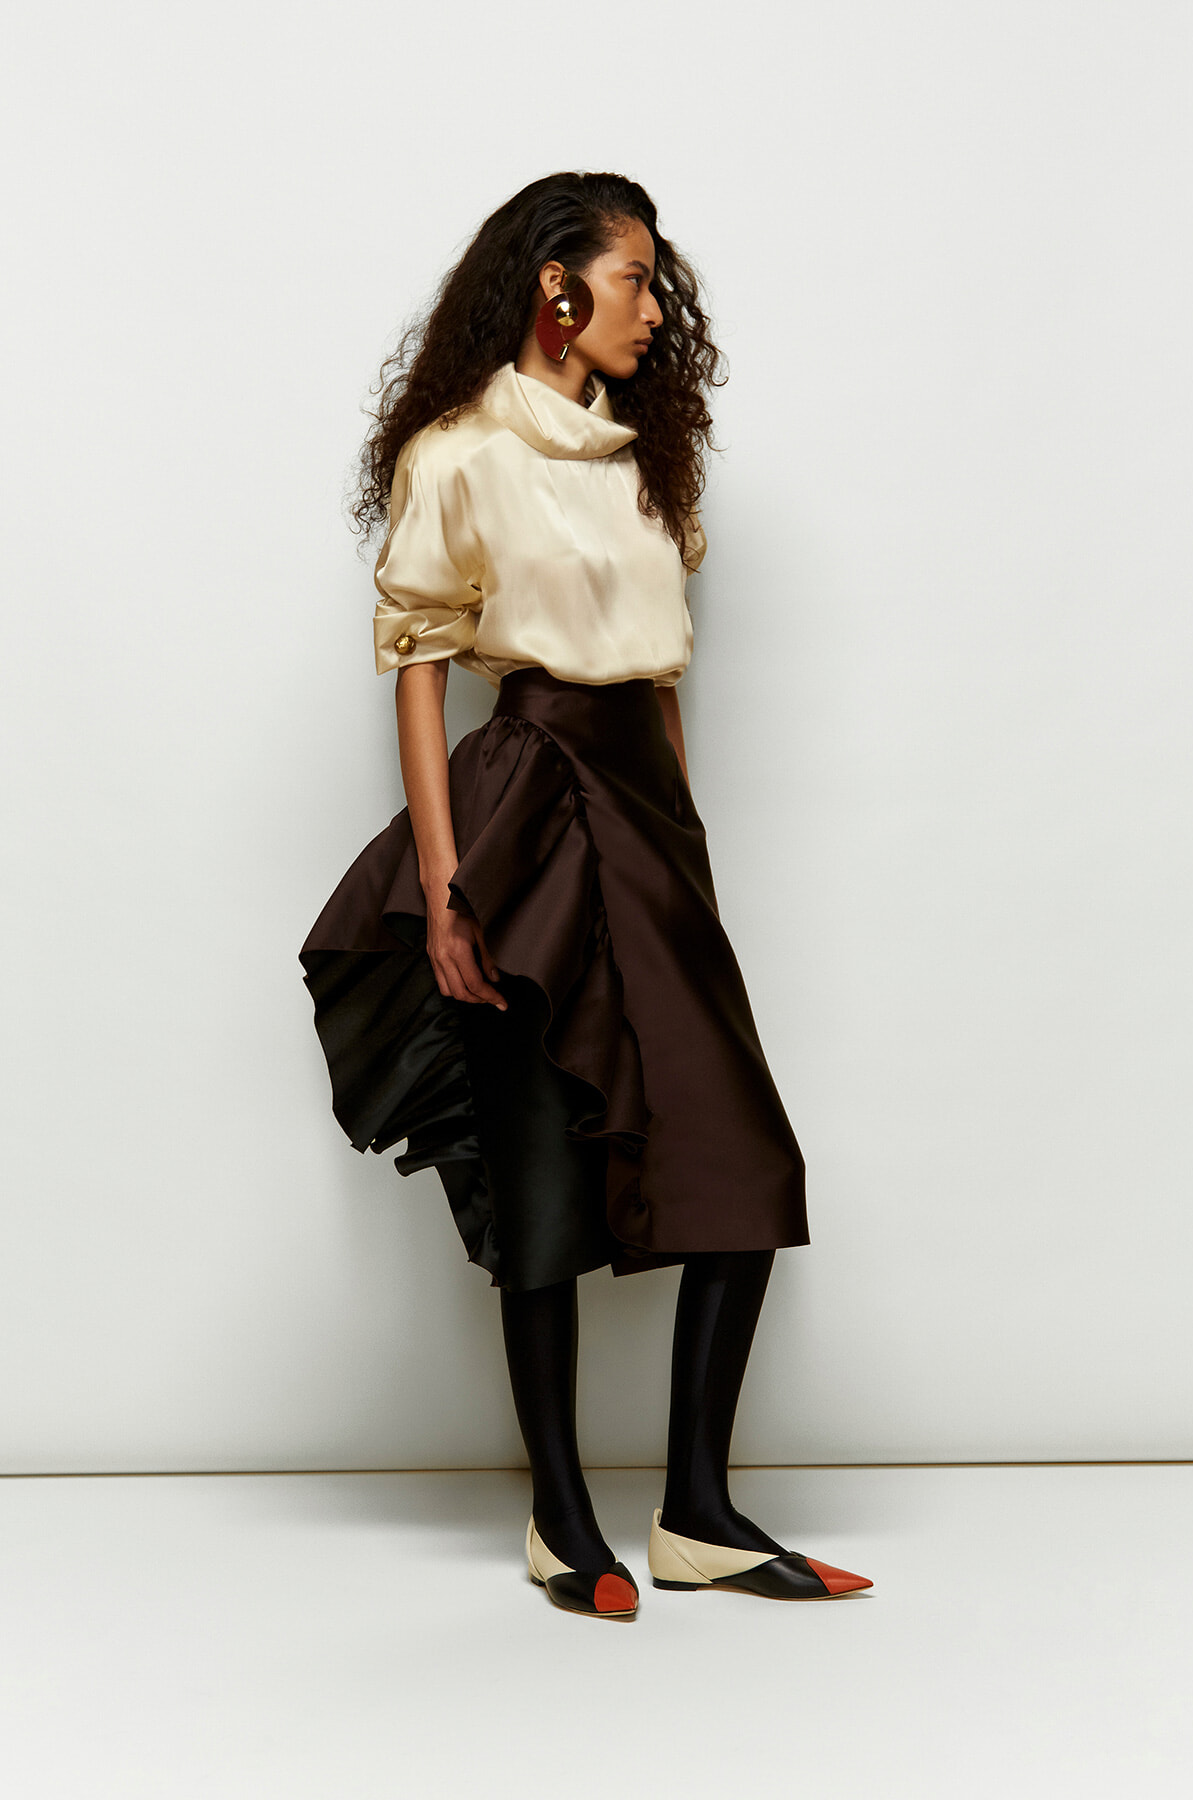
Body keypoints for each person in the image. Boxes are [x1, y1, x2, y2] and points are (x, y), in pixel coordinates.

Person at [300, 172, 871, 1619]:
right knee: (546, 1160)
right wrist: (442, 887)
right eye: (636, 280)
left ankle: (698, 1512)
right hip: (527, 805)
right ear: (557, 284)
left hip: (646, 812)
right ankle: (564, 1521)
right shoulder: (460, 454)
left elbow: (666, 683)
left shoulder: (641, 465)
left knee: (742, 1165)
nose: (656, 309)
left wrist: (690, 859)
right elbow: (421, 673)